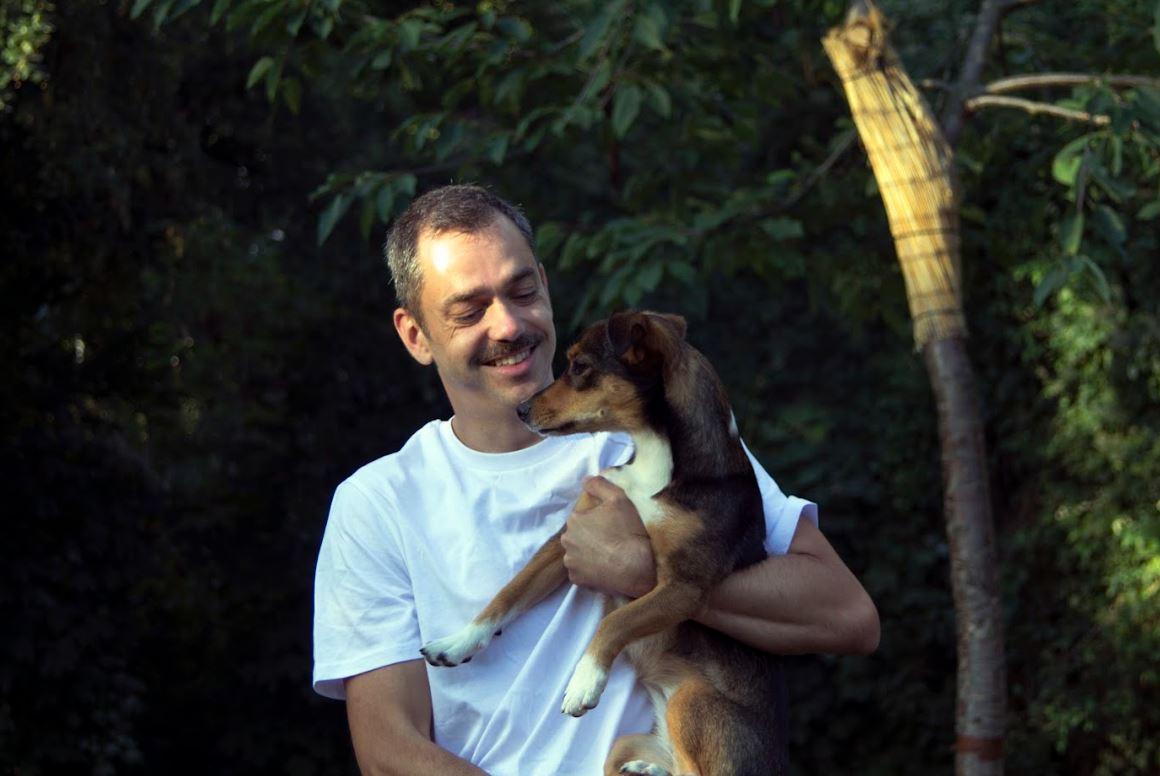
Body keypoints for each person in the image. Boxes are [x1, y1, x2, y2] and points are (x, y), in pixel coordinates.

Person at [313, 184, 879, 775]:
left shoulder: (652, 439)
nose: (507, 324)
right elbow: (387, 752)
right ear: (415, 335)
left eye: (521, 290)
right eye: (469, 309)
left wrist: (642, 569)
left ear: (546, 288)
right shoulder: (377, 502)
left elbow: (848, 616)